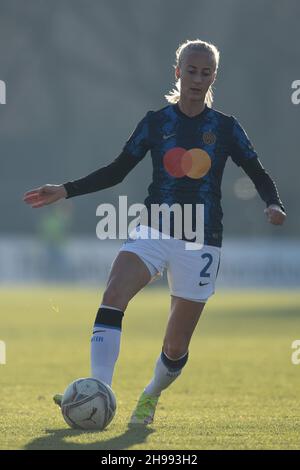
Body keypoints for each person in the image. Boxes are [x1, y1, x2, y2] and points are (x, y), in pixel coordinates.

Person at [23, 39, 286, 425]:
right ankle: (100, 392)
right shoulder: (155, 122)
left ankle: (150, 394)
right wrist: (66, 189)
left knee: (175, 346)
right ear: (177, 72)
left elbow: (258, 172)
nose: (197, 79)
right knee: (113, 294)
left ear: (214, 77)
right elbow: (117, 170)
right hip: (154, 228)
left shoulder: (226, 128)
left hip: (201, 238)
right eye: (191, 71)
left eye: (206, 72)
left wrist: (272, 202)